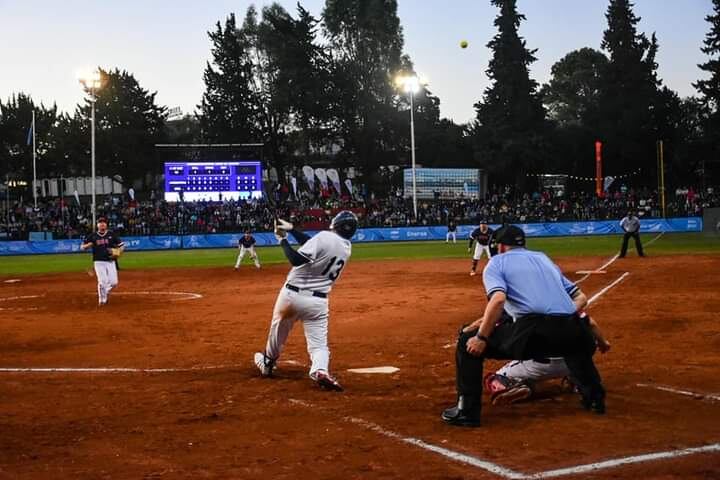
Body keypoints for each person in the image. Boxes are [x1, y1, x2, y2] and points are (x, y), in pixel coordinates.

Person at [441, 225, 606, 427]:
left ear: (500, 247)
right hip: (575, 331)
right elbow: (581, 297)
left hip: (534, 332)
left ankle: (467, 411)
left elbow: (498, 300)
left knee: (467, 342)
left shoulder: (496, 263)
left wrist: (481, 337)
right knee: (574, 345)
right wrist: (561, 315)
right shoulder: (543, 259)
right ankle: (595, 398)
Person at [253, 211, 358, 391]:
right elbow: (314, 244)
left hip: (291, 298)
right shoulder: (346, 247)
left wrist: (282, 240)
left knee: (278, 333)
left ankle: (268, 362)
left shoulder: (325, 237)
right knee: (319, 345)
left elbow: (295, 259)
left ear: (336, 224)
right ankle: (320, 370)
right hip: (318, 303)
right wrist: (293, 230)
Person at [484, 311, 611, 405]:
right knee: (579, 347)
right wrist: (603, 342)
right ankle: (578, 380)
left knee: (495, 377)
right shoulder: (565, 305)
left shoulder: (522, 309)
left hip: (540, 365)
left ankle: (513, 386)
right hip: (573, 363)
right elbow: (591, 323)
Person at [80, 217, 125, 306]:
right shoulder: (92, 236)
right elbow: (82, 247)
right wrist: (87, 246)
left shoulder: (112, 234)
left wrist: (118, 252)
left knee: (114, 282)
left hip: (111, 261)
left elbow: (122, 246)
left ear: (106, 224)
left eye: (104, 222)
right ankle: (102, 299)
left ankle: (105, 291)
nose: (102, 224)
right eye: (100, 222)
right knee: (102, 281)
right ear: (97, 225)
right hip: (98, 262)